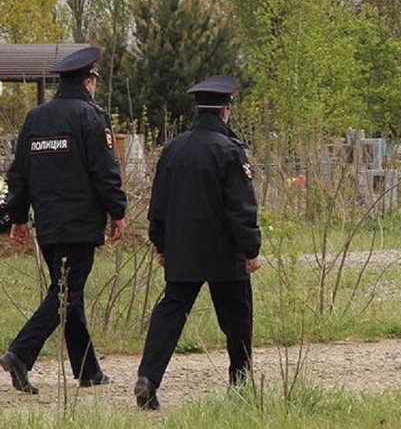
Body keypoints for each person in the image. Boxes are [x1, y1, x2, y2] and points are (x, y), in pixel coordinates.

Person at [0, 46, 127, 394]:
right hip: (80, 223)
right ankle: (20, 353)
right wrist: (118, 211)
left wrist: (18, 216)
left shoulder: (35, 118)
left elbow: (19, 173)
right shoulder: (91, 117)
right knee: (65, 294)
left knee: (69, 293)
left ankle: (88, 369)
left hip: (49, 224)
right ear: (89, 82)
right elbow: (104, 171)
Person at [134, 75, 261, 410]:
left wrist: (160, 243)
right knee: (236, 317)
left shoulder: (174, 148)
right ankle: (241, 383)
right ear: (225, 112)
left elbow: (157, 203)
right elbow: (241, 207)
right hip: (223, 252)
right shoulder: (230, 151)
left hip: (182, 249)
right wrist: (251, 248)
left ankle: (148, 377)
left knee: (171, 312)